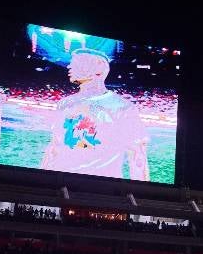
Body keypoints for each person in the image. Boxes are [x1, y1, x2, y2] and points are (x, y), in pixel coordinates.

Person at [40, 49, 149, 179]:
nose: (69, 66)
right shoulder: (64, 104)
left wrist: (141, 195)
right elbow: (54, 147)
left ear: (99, 68)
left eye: (77, 63)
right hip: (60, 185)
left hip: (100, 191)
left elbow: (137, 156)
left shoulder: (123, 108)